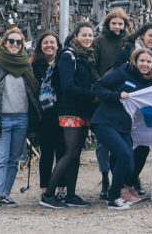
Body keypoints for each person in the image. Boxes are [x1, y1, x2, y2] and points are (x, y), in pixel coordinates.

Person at [0, 26, 41, 210]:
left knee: (14, 159)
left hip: (22, 118)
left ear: (22, 45)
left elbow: (33, 89)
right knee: (1, 158)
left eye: (18, 42)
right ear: (4, 43)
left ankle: (5, 194)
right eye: (11, 41)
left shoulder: (26, 65)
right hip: (1, 118)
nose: (14, 44)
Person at [40, 22, 98, 209]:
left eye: (90, 35)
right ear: (75, 37)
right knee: (69, 152)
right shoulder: (68, 56)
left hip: (81, 110)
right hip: (69, 109)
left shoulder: (84, 57)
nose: (88, 38)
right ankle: (48, 195)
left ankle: (71, 195)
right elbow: (68, 86)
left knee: (75, 154)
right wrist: (94, 96)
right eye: (84, 35)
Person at [91, 48, 152, 210]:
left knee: (129, 163)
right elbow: (98, 87)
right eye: (142, 61)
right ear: (135, 60)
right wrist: (117, 95)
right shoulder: (122, 72)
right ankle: (114, 198)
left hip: (124, 127)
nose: (145, 64)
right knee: (125, 155)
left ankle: (116, 193)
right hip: (105, 122)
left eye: (149, 62)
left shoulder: (148, 83)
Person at [119, 22, 152, 200]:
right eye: (151, 36)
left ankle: (130, 183)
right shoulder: (129, 51)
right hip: (128, 108)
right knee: (129, 148)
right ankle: (120, 186)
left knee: (143, 148)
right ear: (142, 36)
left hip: (149, 109)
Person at [92, 7, 132, 198]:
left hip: (123, 96)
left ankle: (119, 178)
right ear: (108, 23)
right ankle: (105, 176)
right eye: (114, 23)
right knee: (102, 143)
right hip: (103, 94)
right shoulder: (99, 41)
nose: (117, 27)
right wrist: (101, 84)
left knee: (121, 138)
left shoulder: (127, 42)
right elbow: (93, 65)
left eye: (120, 23)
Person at [31, 32, 64, 196]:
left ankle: (61, 189)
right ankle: (45, 189)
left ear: (58, 45)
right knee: (46, 153)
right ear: (40, 47)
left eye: (52, 42)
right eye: (45, 43)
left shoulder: (63, 63)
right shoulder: (35, 66)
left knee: (62, 152)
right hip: (44, 115)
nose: (49, 45)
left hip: (61, 111)